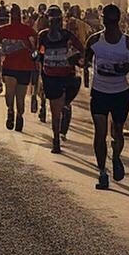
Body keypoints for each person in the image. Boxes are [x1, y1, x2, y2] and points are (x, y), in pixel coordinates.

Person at [83, 4, 129, 190]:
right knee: (99, 133)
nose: (110, 24)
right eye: (107, 20)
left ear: (116, 20)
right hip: (99, 93)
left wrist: (128, 67)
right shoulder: (94, 41)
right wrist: (84, 73)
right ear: (103, 20)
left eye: (111, 20)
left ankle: (116, 157)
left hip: (120, 93)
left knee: (117, 133)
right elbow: (84, 61)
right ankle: (102, 172)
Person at [37, 10, 82, 153]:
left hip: (50, 76)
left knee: (55, 111)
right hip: (64, 76)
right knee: (62, 105)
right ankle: (57, 136)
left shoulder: (44, 35)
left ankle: (56, 138)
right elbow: (81, 49)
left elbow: (39, 53)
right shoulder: (66, 35)